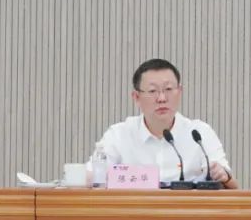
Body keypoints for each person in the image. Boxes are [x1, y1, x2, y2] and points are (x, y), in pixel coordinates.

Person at [90, 59, 238, 188]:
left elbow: (230, 184)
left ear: (179, 91)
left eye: (168, 89)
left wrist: (223, 175)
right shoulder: (118, 135)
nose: (162, 98)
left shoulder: (199, 134)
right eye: (152, 91)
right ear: (136, 97)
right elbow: (92, 177)